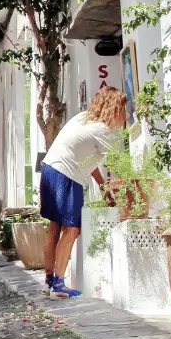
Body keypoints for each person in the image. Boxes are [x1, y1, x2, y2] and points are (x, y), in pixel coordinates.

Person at [40, 86, 127, 299]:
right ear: (115, 108)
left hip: (50, 169)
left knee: (54, 227)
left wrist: (103, 186)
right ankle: (59, 284)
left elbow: (88, 160)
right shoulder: (103, 130)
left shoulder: (83, 118)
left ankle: (49, 280)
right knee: (72, 229)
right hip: (67, 175)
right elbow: (119, 163)